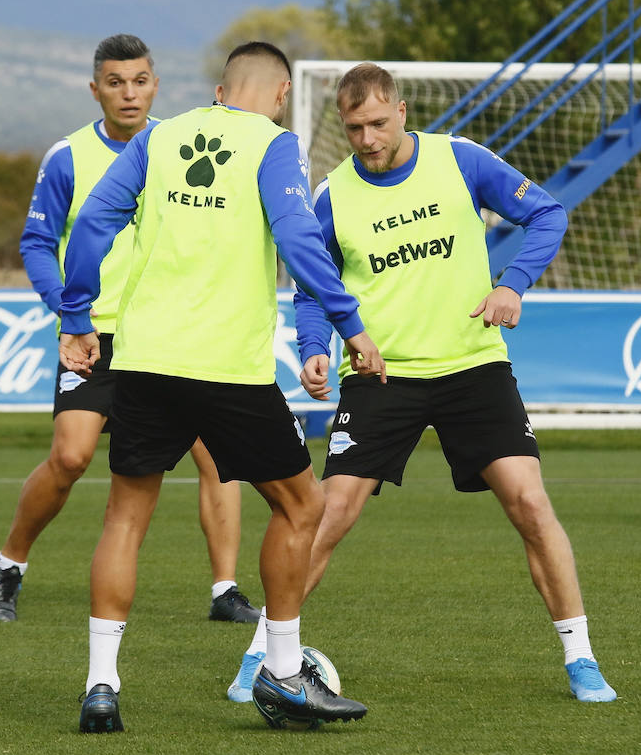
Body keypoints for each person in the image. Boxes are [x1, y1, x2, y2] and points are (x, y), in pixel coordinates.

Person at [230, 61, 617, 705]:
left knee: (529, 504)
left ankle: (581, 659)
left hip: (474, 367)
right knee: (327, 515)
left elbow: (547, 215)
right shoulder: (331, 194)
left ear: (402, 112)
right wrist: (314, 348)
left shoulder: (461, 161)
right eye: (354, 128)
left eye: (378, 123)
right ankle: (263, 657)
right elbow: (311, 286)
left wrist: (511, 284)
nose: (368, 139)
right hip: (384, 377)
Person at [59, 42, 384, 732]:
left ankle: (101, 686)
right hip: (225, 366)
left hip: (144, 358)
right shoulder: (272, 144)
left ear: (218, 89)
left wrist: (78, 314)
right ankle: (287, 673)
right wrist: (350, 325)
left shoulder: (159, 137)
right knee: (303, 505)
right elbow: (299, 239)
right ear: (280, 94)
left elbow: (91, 223)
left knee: (125, 516)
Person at [0, 34, 257, 625]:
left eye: (138, 81)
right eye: (115, 82)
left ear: (155, 85)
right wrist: (68, 312)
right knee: (72, 457)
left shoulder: (179, 147)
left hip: (172, 335)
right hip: (94, 337)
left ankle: (225, 590)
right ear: (95, 89)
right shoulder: (68, 157)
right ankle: (9, 564)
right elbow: (36, 241)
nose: (128, 93)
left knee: (216, 456)